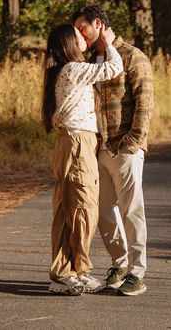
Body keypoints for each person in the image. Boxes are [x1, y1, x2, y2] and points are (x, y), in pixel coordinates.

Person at [72, 5, 153, 296]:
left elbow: (145, 104)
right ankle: (119, 264)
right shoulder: (92, 61)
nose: (79, 34)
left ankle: (137, 272)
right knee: (104, 210)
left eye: (82, 28)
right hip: (99, 149)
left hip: (126, 147)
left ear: (97, 23)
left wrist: (132, 142)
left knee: (132, 210)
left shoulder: (133, 56)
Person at [41, 22, 123, 296]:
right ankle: (70, 273)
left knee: (73, 209)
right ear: (68, 44)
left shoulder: (68, 70)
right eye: (78, 35)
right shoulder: (73, 70)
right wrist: (108, 42)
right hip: (77, 142)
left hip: (76, 141)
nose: (84, 36)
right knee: (83, 209)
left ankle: (73, 271)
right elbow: (113, 68)